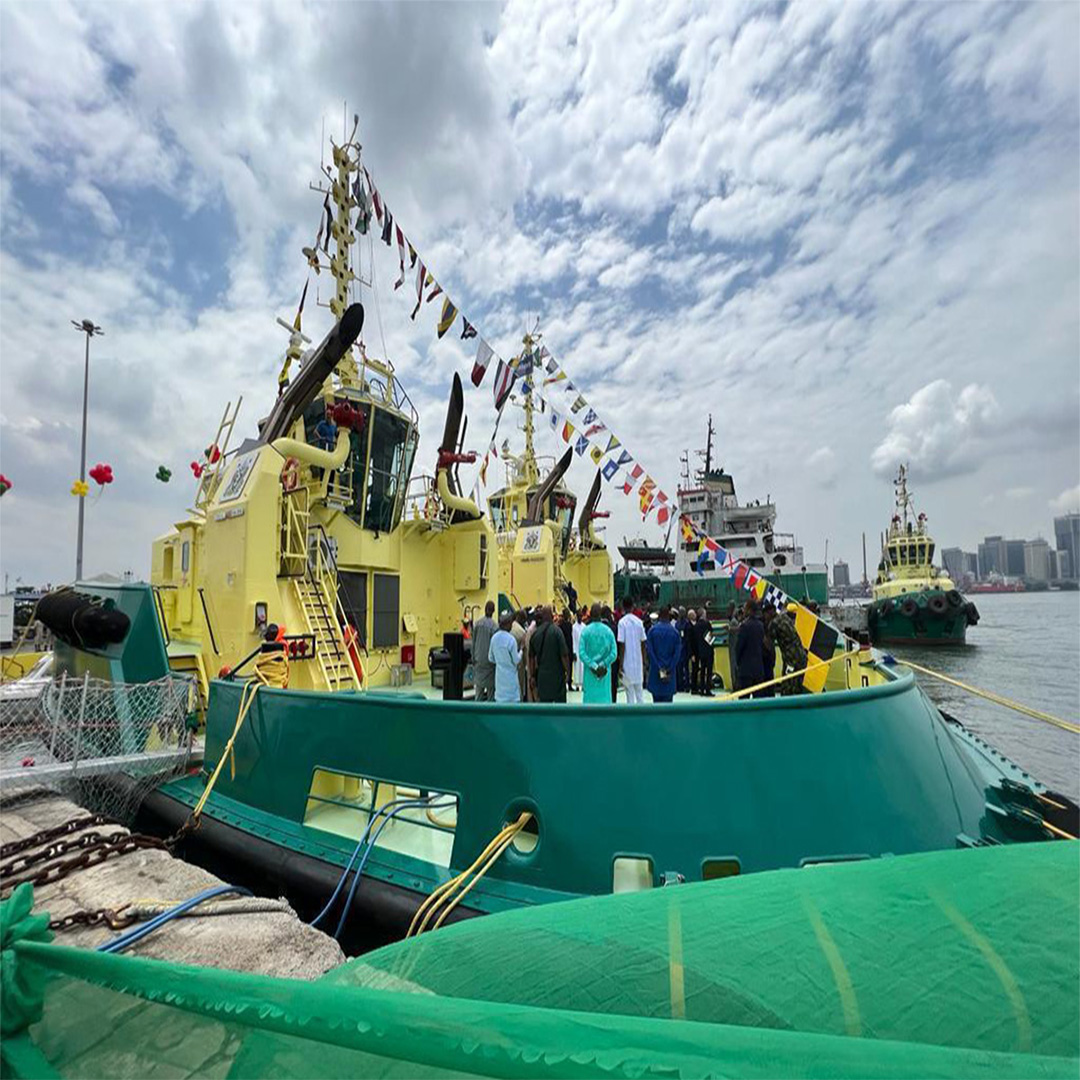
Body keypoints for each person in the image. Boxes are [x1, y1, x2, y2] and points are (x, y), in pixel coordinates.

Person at [529, 605, 570, 703]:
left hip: (542, 677)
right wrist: (568, 672)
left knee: (544, 706)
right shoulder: (557, 632)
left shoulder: (535, 634)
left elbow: (531, 657)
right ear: (552, 616)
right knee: (560, 709)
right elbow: (564, 655)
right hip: (557, 677)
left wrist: (532, 676)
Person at [578, 603, 617, 704]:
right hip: (605, 675)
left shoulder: (585, 632)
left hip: (589, 675)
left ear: (590, 614)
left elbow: (582, 653)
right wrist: (603, 664)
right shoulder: (608, 632)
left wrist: (594, 666)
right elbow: (614, 653)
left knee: (589, 706)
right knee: (605, 705)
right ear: (601, 614)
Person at [768, 604, 808, 695]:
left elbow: (768, 643)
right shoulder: (786, 619)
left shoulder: (775, 623)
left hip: (792, 661)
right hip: (801, 658)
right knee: (797, 687)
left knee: (788, 689)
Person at [646, 606, 681, 703]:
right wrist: (669, 668)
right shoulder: (675, 633)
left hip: (656, 673)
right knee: (668, 706)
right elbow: (677, 655)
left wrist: (659, 667)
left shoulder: (652, 631)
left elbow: (650, 652)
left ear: (659, 616)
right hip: (670, 675)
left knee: (656, 704)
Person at [616, 596, 647, 704]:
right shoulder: (639, 622)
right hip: (638, 663)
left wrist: (620, 665)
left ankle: (631, 718)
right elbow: (643, 643)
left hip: (627, 663)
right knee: (640, 693)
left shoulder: (622, 623)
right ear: (633, 606)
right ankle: (641, 717)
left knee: (629, 694)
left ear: (623, 607)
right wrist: (644, 661)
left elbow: (622, 644)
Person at [734, 600, 768, 697]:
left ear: (749, 610)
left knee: (744, 701)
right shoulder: (760, 626)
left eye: (745, 609)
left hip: (745, 669)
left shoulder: (744, 626)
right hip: (758, 669)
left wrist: (738, 662)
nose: (743, 611)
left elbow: (739, 647)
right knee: (758, 700)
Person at [489, 611, 522, 703]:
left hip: (499, 680)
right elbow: (516, 660)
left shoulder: (494, 638)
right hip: (511, 681)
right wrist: (521, 651)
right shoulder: (511, 640)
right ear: (507, 624)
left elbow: (490, 658)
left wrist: (501, 661)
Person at [471, 600, 497, 702]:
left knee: (478, 693)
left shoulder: (477, 624)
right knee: (491, 694)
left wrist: (473, 657)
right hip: (490, 664)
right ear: (493, 611)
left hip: (478, 662)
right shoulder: (495, 627)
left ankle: (477, 714)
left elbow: (473, 643)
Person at [693, 607, 714, 697]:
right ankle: (707, 689)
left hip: (700, 651)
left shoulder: (696, 626)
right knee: (709, 671)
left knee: (702, 670)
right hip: (708, 650)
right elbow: (710, 637)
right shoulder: (707, 624)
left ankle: (701, 688)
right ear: (703, 614)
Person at [601, 605, 619, 702]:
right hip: (612, 661)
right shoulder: (614, 627)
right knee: (613, 685)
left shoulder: (596, 627)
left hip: (599, 661)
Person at [511, 611, 527, 701]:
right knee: (519, 688)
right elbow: (524, 652)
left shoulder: (510, 627)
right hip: (519, 665)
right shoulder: (521, 632)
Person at [725, 602, 741, 692]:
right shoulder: (733, 621)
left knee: (734, 666)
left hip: (733, 647)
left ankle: (736, 685)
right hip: (733, 647)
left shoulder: (733, 622)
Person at [558, 608, 575, 692]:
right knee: (569, 667)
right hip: (569, 648)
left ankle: (563, 684)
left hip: (563, 648)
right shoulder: (569, 625)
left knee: (562, 667)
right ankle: (569, 683)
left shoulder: (560, 626)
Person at [675, 607, 690, 692]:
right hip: (679, 648)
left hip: (684, 649)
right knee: (679, 668)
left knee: (685, 668)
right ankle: (680, 685)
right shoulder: (677, 624)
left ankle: (686, 685)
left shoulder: (686, 624)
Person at [686, 609, 699, 693]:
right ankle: (693, 687)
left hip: (697, 650)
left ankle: (695, 686)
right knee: (694, 670)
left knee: (696, 669)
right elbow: (689, 641)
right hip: (693, 651)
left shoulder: (696, 624)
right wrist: (691, 654)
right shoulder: (689, 626)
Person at [572, 608, 585, 690]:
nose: (580, 617)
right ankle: (577, 684)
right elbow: (573, 639)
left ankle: (583, 684)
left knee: (583, 667)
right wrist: (573, 651)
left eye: (581, 616)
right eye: (578, 616)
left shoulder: (584, 626)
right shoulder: (574, 627)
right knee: (577, 667)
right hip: (576, 649)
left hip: (583, 649)